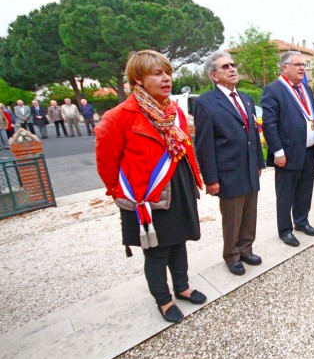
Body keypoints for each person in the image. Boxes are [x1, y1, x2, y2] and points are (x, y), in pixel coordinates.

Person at [95, 50, 206, 324]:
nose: (166, 78)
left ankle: (182, 287)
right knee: (157, 252)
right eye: (157, 73)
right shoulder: (119, 116)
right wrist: (120, 196)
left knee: (179, 243)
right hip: (147, 197)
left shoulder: (174, 110)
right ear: (138, 79)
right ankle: (164, 299)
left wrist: (196, 179)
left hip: (178, 189)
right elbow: (106, 163)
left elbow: (186, 150)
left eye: (167, 72)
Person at [194, 51, 265, 276]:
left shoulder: (246, 99)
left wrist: (259, 162)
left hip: (249, 168)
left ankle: (246, 249)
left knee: (249, 214)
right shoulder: (205, 103)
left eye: (233, 65)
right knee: (232, 218)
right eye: (225, 67)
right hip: (228, 172)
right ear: (214, 76)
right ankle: (232, 255)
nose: (232, 69)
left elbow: (253, 132)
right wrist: (211, 179)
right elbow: (204, 145)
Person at [261, 52, 314, 247]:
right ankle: (285, 230)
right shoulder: (273, 90)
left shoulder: (305, 88)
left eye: (303, 65)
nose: (302, 68)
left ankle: (301, 221)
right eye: (297, 65)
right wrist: (278, 152)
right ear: (284, 67)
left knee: (305, 189)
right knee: (285, 194)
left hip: (308, 149)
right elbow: (269, 124)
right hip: (287, 153)